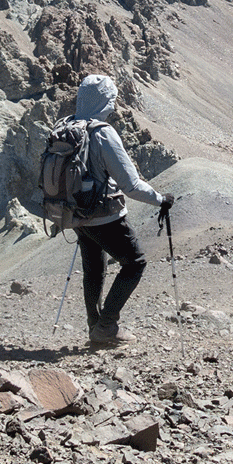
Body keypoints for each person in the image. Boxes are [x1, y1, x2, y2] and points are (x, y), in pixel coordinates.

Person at [67, 74, 173, 346]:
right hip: (104, 215)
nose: (114, 106)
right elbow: (131, 185)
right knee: (135, 263)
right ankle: (107, 325)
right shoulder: (102, 132)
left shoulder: (67, 126)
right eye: (112, 99)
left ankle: (96, 326)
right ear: (105, 101)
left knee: (94, 269)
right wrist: (161, 199)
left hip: (76, 214)